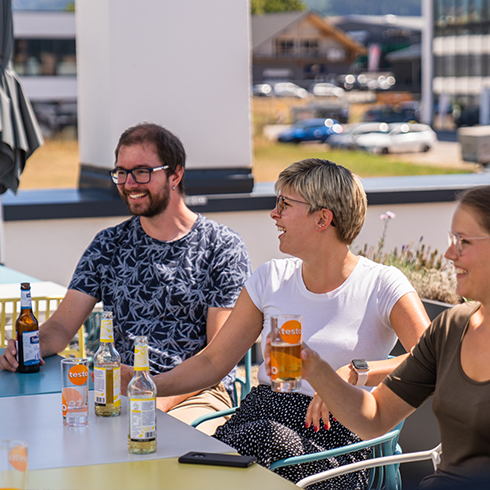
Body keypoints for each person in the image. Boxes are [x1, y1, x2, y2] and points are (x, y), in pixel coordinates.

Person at [123, 158, 430, 489]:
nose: (274, 213)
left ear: (322, 218)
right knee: (213, 458)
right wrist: (149, 384)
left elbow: (433, 358)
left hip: (337, 433)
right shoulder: (270, 278)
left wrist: (350, 375)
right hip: (262, 414)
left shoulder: (381, 284)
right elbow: (213, 361)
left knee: (244, 452)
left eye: (285, 203)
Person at [0, 123, 252, 435]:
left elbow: (217, 356)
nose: (129, 183)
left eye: (142, 171)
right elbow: (62, 327)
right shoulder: (108, 244)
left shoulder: (222, 247)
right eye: (121, 172)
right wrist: (27, 347)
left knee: (163, 445)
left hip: (196, 395)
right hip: (115, 389)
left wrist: (157, 394)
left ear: (175, 175)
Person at [300, 185, 490, 489]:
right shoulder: (451, 329)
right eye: (451, 239)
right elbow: (375, 418)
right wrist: (318, 371)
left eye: (464, 241)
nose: (449, 254)